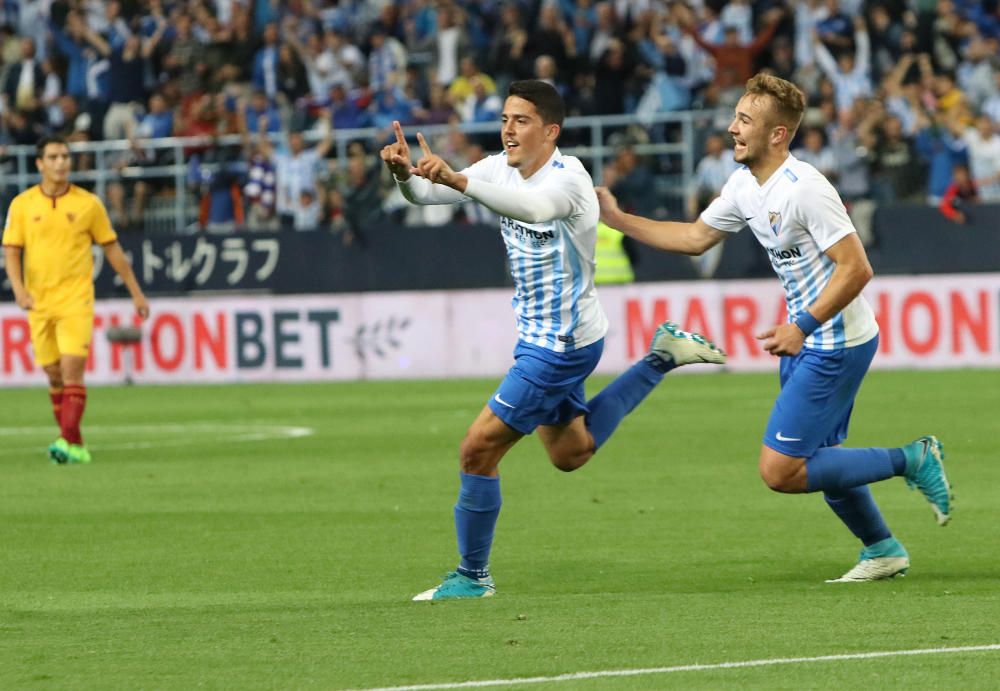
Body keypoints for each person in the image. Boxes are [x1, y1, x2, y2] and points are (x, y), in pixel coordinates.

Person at [596, 74, 953, 583]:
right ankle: (883, 549)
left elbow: (857, 268)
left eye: (745, 120)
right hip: (807, 340)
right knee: (822, 457)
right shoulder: (744, 185)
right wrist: (618, 219)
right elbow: (697, 237)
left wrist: (802, 327)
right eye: (736, 116)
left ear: (778, 134)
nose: (732, 128)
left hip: (834, 341)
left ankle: (913, 458)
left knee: (781, 469)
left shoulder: (806, 189)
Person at [380, 80, 727, 601]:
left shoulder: (570, 179)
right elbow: (426, 193)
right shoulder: (498, 167)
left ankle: (472, 577)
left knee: (477, 450)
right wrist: (404, 175)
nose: (508, 130)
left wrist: (458, 180)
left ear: (551, 131)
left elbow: (536, 211)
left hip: (560, 344)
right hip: (547, 338)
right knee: (571, 453)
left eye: (520, 121)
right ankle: (661, 356)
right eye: (504, 119)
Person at [2, 135, 149, 465]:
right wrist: (19, 290)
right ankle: (76, 444)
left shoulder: (88, 204)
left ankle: (64, 440)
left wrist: (136, 292)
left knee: (71, 370)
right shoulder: (22, 205)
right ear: (40, 163)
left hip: (76, 300)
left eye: (65, 156)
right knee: (53, 373)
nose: (61, 163)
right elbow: (12, 251)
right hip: (38, 302)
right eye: (53, 157)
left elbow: (112, 248)